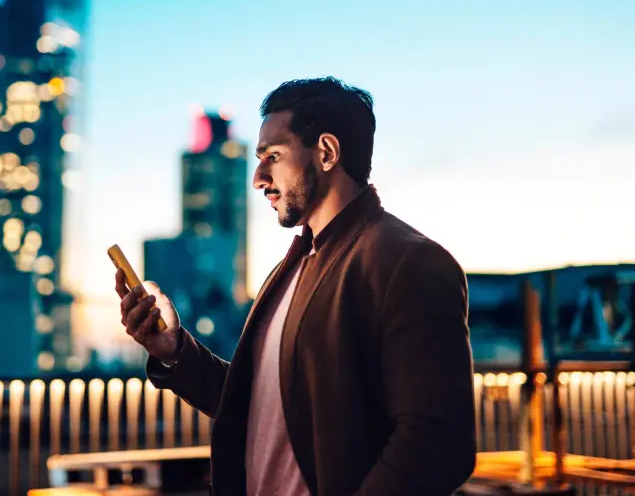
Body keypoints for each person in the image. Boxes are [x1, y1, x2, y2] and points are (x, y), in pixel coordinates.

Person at [115, 77, 476, 496]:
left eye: (273, 156)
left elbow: (439, 443)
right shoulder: (292, 268)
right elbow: (258, 408)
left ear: (326, 152)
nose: (258, 178)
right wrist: (174, 351)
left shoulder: (409, 262)